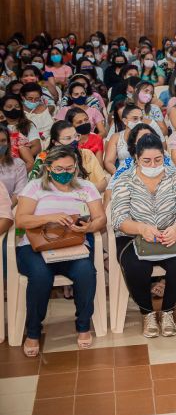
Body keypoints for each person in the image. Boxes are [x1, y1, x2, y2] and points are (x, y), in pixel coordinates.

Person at [15, 146, 106, 356]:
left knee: (86, 272)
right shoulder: (35, 187)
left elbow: (100, 218)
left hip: (72, 244)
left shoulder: (86, 187)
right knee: (40, 276)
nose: (64, 173)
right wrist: (51, 217)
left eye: (69, 168)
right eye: (58, 168)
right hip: (36, 247)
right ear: (48, 168)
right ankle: (33, 332)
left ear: (76, 168)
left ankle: (83, 325)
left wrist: (89, 227)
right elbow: (21, 219)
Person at [111, 134, 176, 338]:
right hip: (133, 236)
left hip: (169, 235)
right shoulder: (124, 180)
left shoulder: (175, 177)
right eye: (146, 160)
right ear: (136, 159)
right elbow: (119, 218)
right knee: (136, 266)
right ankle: (147, 313)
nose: (153, 164)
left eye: (158, 159)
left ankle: (166, 311)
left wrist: (175, 228)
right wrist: (141, 228)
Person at [30, 121, 108, 192]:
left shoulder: (86, 154)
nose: (74, 141)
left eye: (76, 136)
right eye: (68, 138)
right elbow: (34, 186)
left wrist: (83, 192)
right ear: (56, 142)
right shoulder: (44, 157)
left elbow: (103, 183)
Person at [2, 94, 41, 169]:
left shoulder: (28, 125)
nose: (14, 109)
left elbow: (37, 147)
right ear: (2, 109)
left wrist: (20, 158)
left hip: (24, 164)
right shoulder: (1, 126)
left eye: (17, 107)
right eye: (9, 107)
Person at [0, 125, 27, 203]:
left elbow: (19, 192)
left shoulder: (18, 164)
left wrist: (6, 211)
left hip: (9, 209)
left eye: (3, 140)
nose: (1, 144)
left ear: (8, 143)